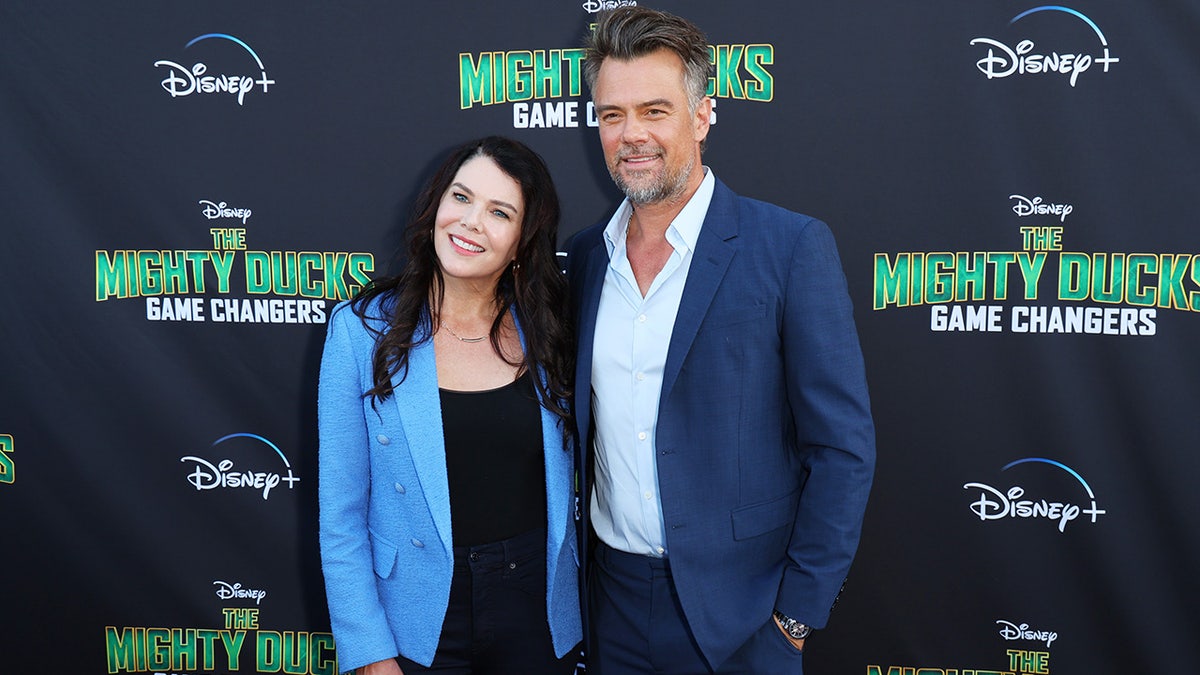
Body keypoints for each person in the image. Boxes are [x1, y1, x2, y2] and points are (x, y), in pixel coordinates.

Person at [567, 7, 876, 673]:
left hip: (744, 619)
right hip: (612, 606)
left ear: (702, 114)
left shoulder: (789, 247)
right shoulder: (588, 258)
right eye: (612, 114)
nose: (631, 135)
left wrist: (794, 618)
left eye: (655, 110)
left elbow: (842, 448)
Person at [318, 136, 582, 675]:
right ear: (437, 203)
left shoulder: (554, 332)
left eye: (499, 212)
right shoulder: (359, 332)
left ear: (522, 243)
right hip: (413, 615)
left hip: (538, 608)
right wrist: (369, 651)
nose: (470, 222)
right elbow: (341, 516)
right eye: (461, 198)